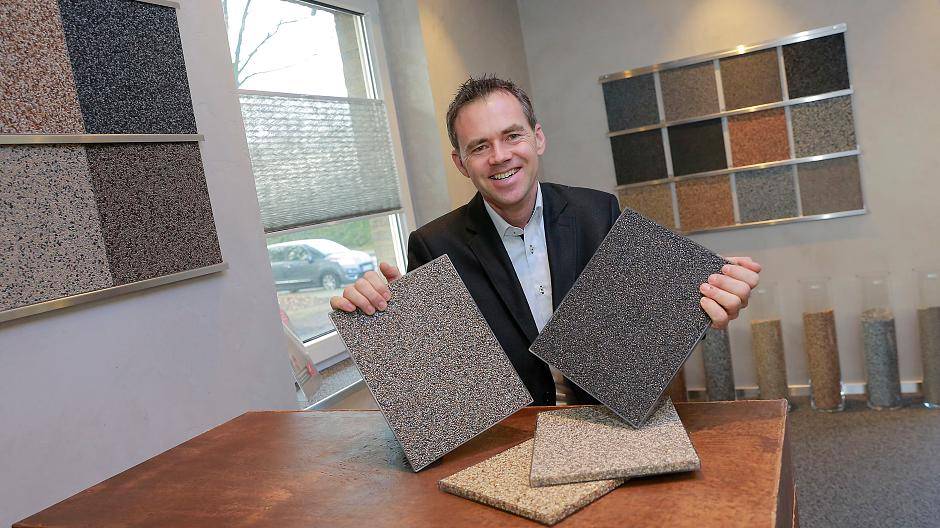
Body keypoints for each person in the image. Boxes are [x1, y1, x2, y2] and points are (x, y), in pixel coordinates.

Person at [331, 76, 761, 405]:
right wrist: (381, 321)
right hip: (510, 439)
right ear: (461, 163)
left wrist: (705, 308)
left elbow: (645, 328)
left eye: (512, 135)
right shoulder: (433, 245)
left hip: (606, 419)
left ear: (537, 139)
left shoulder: (599, 213)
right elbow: (437, 381)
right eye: (479, 147)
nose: (500, 156)